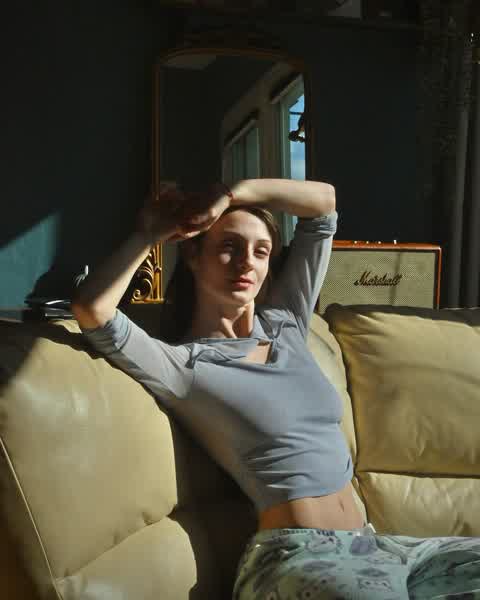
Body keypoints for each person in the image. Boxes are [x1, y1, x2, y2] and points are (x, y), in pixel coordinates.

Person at [72, 178, 480, 600]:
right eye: (229, 247)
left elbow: (324, 204)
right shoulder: (184, 366)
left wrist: (233, 193)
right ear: (193, 256)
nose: (246, 263)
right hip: (301, 556)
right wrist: (150, 235)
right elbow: (93, 310)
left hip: (379, 547)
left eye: (261, 251)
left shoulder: (286, 323)